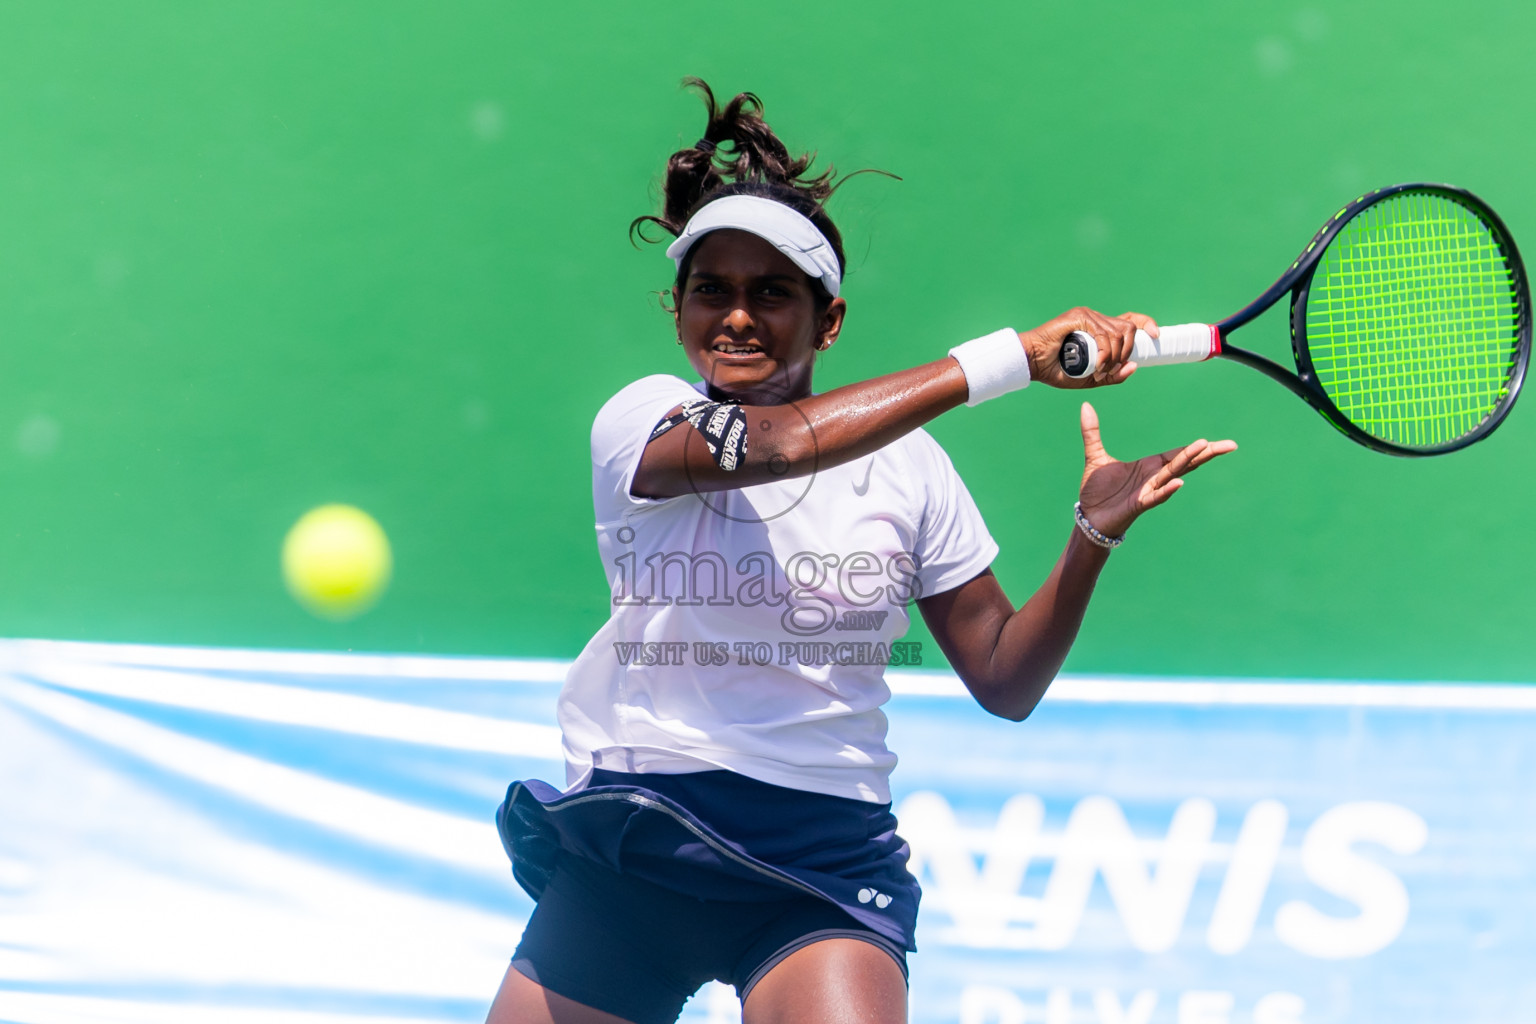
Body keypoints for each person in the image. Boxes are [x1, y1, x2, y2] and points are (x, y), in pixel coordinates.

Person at [486, 79, 1235, 1024]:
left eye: (773, 294)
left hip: (820, 858)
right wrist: (1006, 359)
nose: (738, 317)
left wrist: (1091, 536)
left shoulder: (912, 469)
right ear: (676, 308)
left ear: (827, 320)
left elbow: (1005, 679)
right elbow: (780, 445)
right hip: (643, 838)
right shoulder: (640, 420)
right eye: (711, 291)